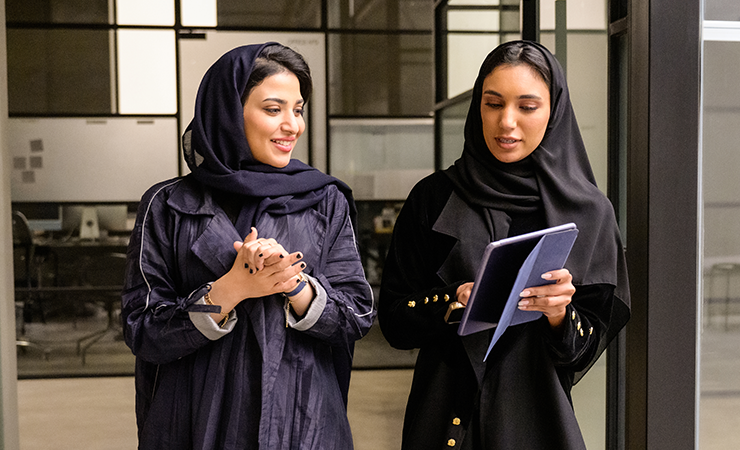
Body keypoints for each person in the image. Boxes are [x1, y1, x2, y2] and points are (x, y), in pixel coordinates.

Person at [379, 40, 631, 449]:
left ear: (554, 112)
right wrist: (453, 300)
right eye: (493, 103)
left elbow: (582, 352)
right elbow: (393, 321)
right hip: (443, 419)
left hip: (536, 423)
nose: (506, 122)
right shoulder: (434, 197)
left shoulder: (588, 213)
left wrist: (558, 313)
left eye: (527, 107)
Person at [121, 42, 374, 449]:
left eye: (298, 109)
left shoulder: (324, 199)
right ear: (227, 112)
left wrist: (295, 285)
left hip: (301, 417)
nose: (293, 125)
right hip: (195, 417)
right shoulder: (168, 204)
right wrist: (232, 289)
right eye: (274, 109)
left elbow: (357, 315)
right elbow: (142, 330)